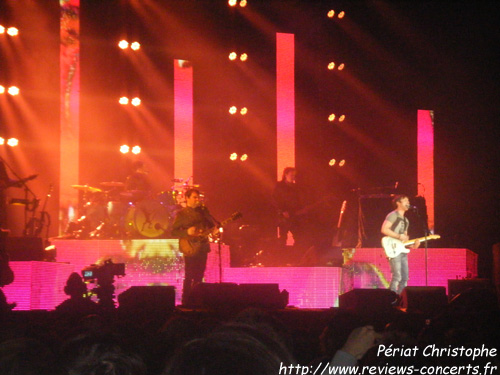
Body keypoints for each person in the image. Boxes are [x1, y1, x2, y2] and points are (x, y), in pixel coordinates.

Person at [171, 189, 218, 305]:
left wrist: (215, 231)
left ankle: (198, 300)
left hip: (202, 246)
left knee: (200, 274)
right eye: (194, 197)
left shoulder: (204, 212)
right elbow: (173, 231)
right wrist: (187, 231)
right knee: (189, 275)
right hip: (190, 247)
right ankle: (186, 301)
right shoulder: (181, 214)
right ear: (187, 198)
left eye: (198, 197)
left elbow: (212, 226)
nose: (197, 200)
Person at [381, 195, 420, 295]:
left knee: (405, 277)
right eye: (405, 200)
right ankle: (391, 299)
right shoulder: (393, 215)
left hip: (401, 250)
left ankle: (400, 299)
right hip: (393, 248)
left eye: (408, 200)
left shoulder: (406, 220)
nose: (408, 202)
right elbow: (384, 229)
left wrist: (413, 245)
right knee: (397, 276)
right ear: (398, 203)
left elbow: (404, 241)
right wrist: (399, 236)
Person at [272, 167, 303, 247]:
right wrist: (283, 211)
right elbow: (276, 199)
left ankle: (296, 254)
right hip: (283, 216)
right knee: (283, 237)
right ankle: (282, 255)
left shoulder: (296, 187)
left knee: (298, 236)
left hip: (295, 214)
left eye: (294, 175)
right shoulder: (279, 186)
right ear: (285, 175)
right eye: (291, 175)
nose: (293, 177)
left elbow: (298, 200)